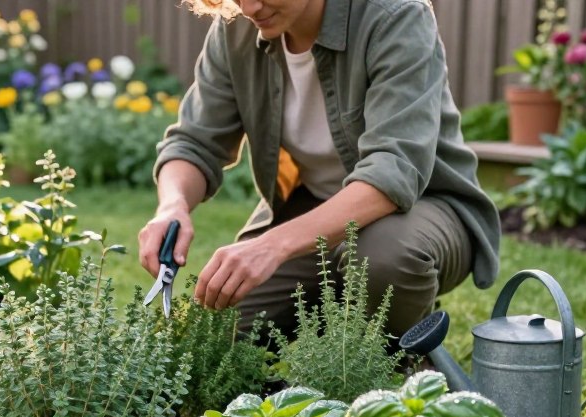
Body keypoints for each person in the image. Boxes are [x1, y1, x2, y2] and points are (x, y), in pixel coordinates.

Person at [137, 0, 501, 339]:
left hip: (422, 210)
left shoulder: (396, 15)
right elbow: (194, 142)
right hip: (312, 212)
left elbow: (394, 170)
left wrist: (274, 245)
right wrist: (174, 206)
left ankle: (395, 369)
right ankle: (343, 312)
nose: (248, 8)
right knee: (218, 333)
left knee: (381, 258)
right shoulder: (236, 29)